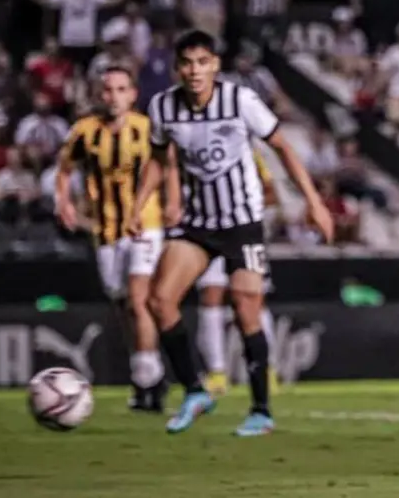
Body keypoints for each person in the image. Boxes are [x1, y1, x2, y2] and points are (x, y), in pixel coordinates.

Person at [129, 30, 334, 436]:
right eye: (187, 63)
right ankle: (195, 391)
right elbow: (157, 159)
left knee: (245, 307)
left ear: (215, 65)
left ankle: (261, 410)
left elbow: (283, 147)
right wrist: (138, 205)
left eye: (202, 62)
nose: (194, 71)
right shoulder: (163, 107)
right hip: (197, 224)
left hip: (242, 222)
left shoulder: (240, 101)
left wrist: (314, 202)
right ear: (177, 68)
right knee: (159, 300)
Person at [54, 66, 167, 412]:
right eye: (108, 90)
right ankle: (148, 374)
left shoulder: (145, 129)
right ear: (98, 94)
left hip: (145, 224)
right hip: (105, 230)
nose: (114, 96)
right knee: (122, 307)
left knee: (137, 300)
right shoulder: (85, 131)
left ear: (133, 94)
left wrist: (174, 201)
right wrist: (64, 202)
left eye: (121, 89)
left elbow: (167, 166)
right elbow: (64, 169)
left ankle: (147, 382)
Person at [187, 149, 280, 396]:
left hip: (243, 231)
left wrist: (246, 207)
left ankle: (266, 369)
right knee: (211, 295)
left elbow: (272, 194)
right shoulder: (194, 149)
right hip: (208, 232)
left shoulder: (248, 153)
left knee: (254, 301)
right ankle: (217, 372)